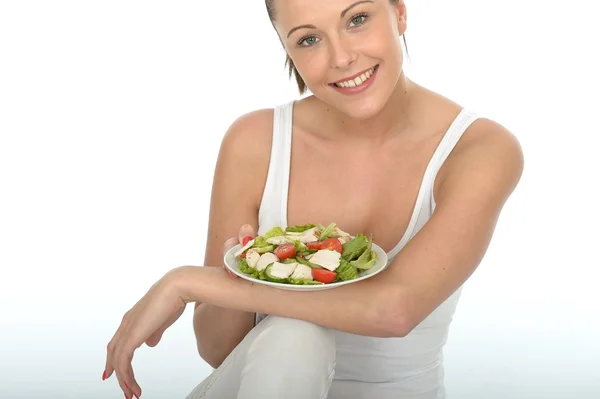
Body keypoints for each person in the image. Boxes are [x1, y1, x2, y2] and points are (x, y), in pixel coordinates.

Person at [102, 0, 524, 398]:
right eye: (308, 39)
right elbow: (217, 349)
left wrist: (187, 281)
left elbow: (396, 310)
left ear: (398, 12)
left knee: (296, 328)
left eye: (357, 19)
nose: (341, 58)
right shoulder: (255, 141)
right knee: (294, 335)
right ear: (287, 48)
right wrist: (239, 276)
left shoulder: (479, 149)